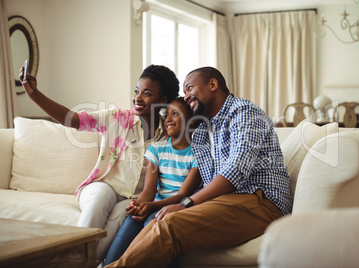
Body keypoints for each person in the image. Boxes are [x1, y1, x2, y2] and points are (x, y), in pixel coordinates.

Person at [105, 66, 293, 268]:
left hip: (262, 201)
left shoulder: (244, 112)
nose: (186, 96)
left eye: (189, 88)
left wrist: (185, 203)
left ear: (212, 84)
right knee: (157, 222)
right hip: (230, 200)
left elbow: (234, 173)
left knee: (170, 225)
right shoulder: (203, 131)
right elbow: (208, 181)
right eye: (184, 92)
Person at [19, 64, 179, 260]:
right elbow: (73, 120)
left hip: (135, 198)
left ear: (163, 100)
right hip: (104, 186)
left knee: (121, 216)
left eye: (146, 94)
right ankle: (73, 258)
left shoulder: (169, 135)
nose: (137, 98)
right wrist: (35, 94)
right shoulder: (117, 118)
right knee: (100, 200)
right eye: (136, 91)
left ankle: (76, 263)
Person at [104, 97, 202, 265]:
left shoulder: (198, 154)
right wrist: (138, 205)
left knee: (151, 224)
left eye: (175, 114)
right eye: (166, 115)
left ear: (192, 122)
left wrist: (151, 207)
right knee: (130, 223)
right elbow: (148, 191)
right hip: (155, 206)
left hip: (178, 209)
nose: (168, 119)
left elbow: (183, 194)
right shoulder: (156, 149)